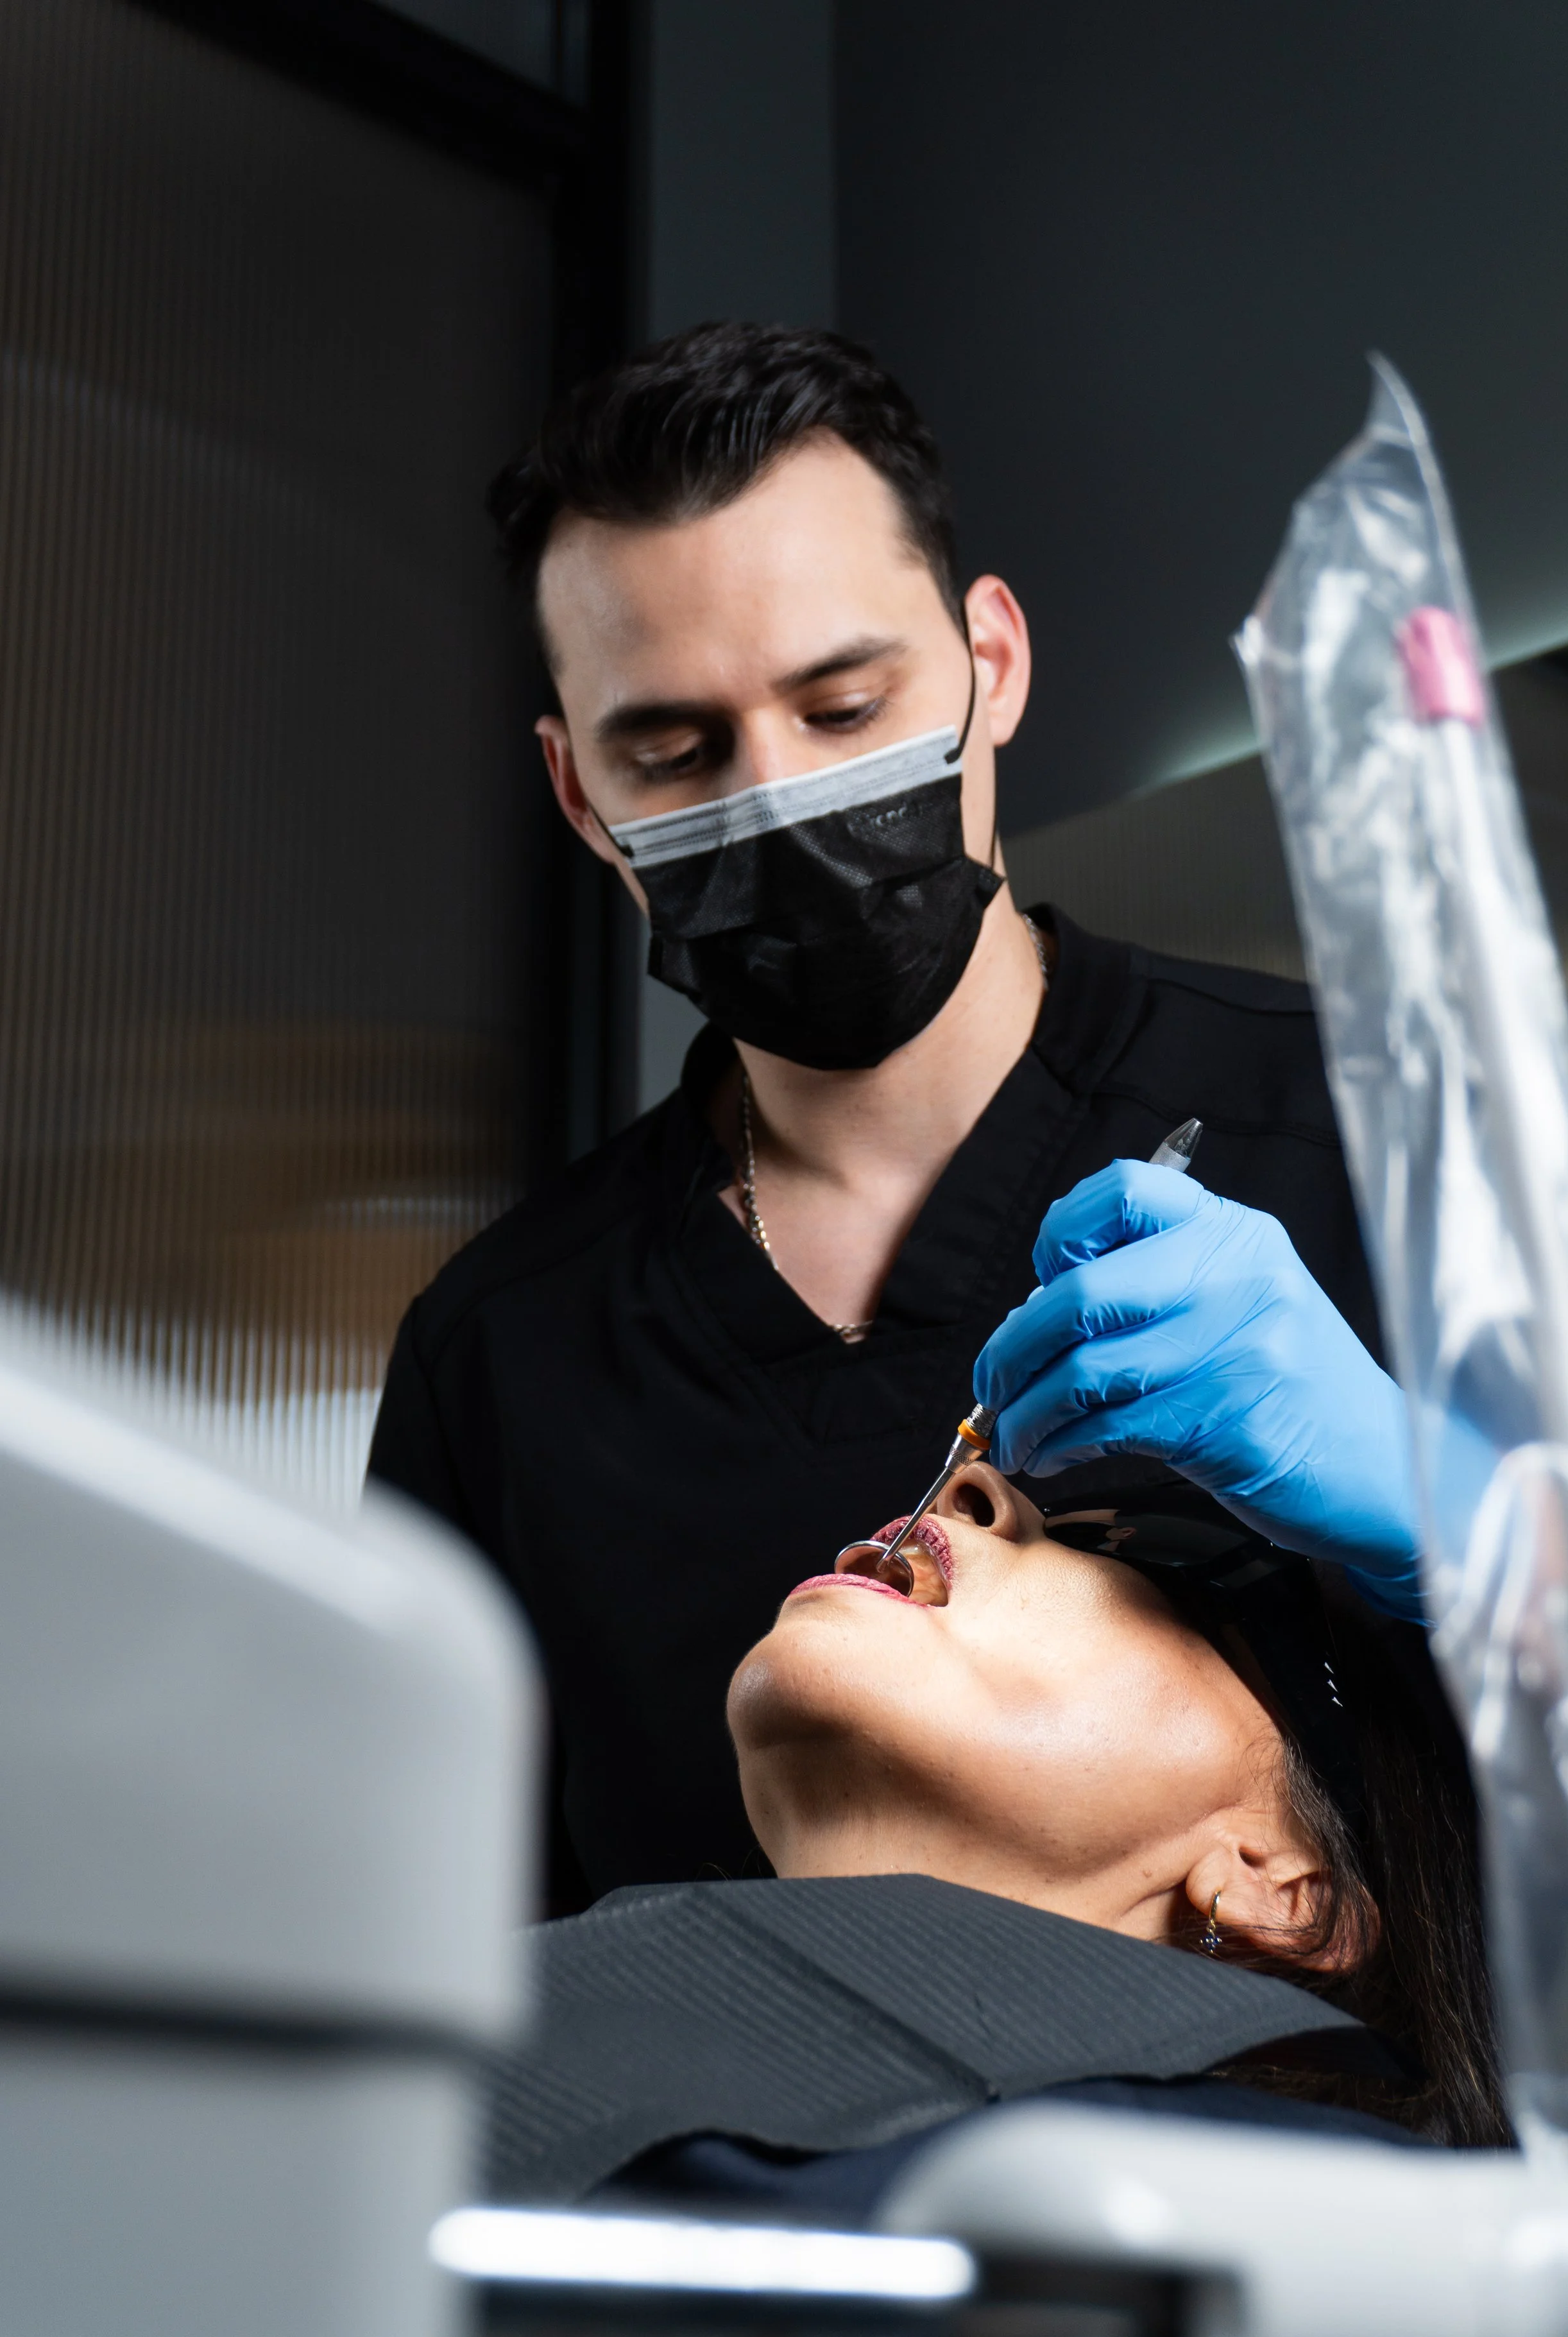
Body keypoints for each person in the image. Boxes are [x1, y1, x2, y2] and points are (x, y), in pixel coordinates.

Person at [369, 320, 1420, 1914]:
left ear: (988, 665)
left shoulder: (1368, 1131)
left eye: (845, 706)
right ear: (581, 793)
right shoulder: (501, 1357)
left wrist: (1453, 1517)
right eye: (675, 751)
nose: (780, 794)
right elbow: (428, 1952)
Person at [485, 1462, 1508, 2225]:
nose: (978, 1489)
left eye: (1153, 1557)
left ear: (1284, 1889)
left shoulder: (1324, 2255)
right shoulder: (472, 2010)